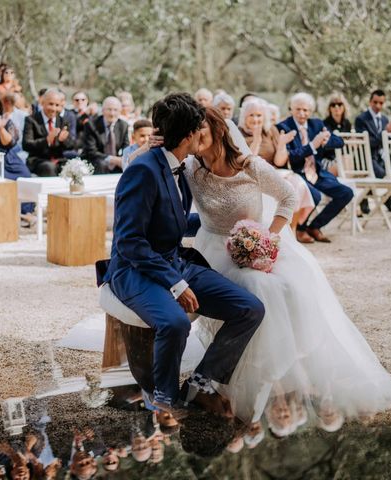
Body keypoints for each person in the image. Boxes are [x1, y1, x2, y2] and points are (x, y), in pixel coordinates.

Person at [184, 106, 391, 426]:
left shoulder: (249, 165)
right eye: (191, 132)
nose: (195, 138)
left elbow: (287, 197)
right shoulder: (190, 167)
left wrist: (265, 240)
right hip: (212, 248)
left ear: (218, 131)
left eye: (201, 131)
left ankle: (275, 379)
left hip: (257, 244)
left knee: (280, 289)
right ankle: (222, 380)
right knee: (254, 290)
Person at [103, 92, 264, 415]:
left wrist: (228, 224)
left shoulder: (182, 167)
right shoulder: (143, 171)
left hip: (173, 262)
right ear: (189, 135)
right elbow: (130, 242)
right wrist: (175, 283)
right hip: (134, 270)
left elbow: (173, 222)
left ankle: (200, 382)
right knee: (176, 322)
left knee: (249, 308)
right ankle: (164, 398)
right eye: (200, 129)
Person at [277, 92, 354, 243]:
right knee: (315, 195)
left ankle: (315, 226)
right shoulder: (284, 127)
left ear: (310, 111)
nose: (301, 113)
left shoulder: (317, 124)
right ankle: (300, 229)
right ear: (291, 109)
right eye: (298, 109)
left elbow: (339, 141)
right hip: (296, 173)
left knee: (346, 193)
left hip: (317, 172)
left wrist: (325, 141)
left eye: (305, 110)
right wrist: (313, 145)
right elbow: (291, 156)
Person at [237, 99, 315, 243]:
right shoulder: (238, 133)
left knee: (298, 183)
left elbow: (279, 162)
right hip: (252, 175)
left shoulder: (271, 130)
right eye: (251, 115)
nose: (255, 119)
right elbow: (247, 162)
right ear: (244, 117)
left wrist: (282, 145)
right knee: (289, 186)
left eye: (259, 115)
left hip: (274, 171)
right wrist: (256, 139)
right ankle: (274, 232)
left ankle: (292, 229)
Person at [354, 89, 391, 213]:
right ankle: (383, 199)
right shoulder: (361, 119)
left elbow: (387, 143)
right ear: (370, 102)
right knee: (385, 175)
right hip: (366, 159)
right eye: (375, 102)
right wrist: (385, 132)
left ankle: (388, 198)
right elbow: (367, 143)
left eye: (381, 103)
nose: (378, 106)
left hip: (382, 158)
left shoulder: (385, 119)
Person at [23, 88, 75, 176]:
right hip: (38, 160)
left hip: (59, 160)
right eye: (51, 104)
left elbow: (71, 145)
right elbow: (26, 145)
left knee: (75, 167)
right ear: (42, 103)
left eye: (57, 105)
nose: (54, 109)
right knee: (49, 167)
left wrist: (63, 140)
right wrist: (47, 140)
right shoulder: (31, 120)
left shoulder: (63, 121)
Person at [83, 96, 129, 173]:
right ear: (103, 110)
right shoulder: (91, 124)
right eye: (109, 109)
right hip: (96, 162)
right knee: (101, 164)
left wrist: (122, 159)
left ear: (120, 111)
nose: (112, 113)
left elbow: (126, 147)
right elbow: (91, 151)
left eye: (115, 110)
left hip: (116, 163)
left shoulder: (123, 125)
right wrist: (112, 159)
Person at [321, 93, 352, 176]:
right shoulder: (324, 124)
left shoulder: (347, 124)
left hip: (344, 159)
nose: (336, 107)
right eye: (333, 105)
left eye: (339, 104)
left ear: (344, 107)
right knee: (345, 162)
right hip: (328, 159)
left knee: (348, 159)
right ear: (329, 108)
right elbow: (326, 147)